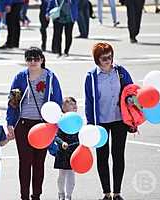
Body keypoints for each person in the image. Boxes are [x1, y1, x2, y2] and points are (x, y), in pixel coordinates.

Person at [6, 47, 63, 200]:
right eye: (29, 59)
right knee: (25, 162)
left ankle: (36, 195)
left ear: (42, 60)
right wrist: (10, 122)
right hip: (23, 124)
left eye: (36, 58)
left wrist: (54, 123)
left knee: (39, 162)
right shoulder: (20, 77)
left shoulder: (50, 77)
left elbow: (57, 100)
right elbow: (12, 101)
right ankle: (24, 196)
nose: (32, 62)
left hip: (42, 126)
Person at [84, 42, 133, 200]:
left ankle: (117, 192)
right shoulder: (91, 76)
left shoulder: (120, 72)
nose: (108, 61)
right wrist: (91, 124)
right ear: (97, 59)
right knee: (102, 156)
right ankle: (106, 193)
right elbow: (89, 101)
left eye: (110, 57)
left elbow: (131, 91)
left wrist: (133, 111)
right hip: (101, 122)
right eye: (104, 58)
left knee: (118, 155)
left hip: (119, 119)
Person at [54, 97, 79, 200]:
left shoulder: (78, 120)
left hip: (74, 151)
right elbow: (56, 136)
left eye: (75, 104)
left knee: (71, 174)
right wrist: (62, 143)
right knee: (62, 173)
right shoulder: (61, 121)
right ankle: (61, 193)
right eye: (71, 104)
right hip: (63, 151)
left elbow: (81, 135)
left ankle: (69, 195)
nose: (74, 106)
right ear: (64, 108)